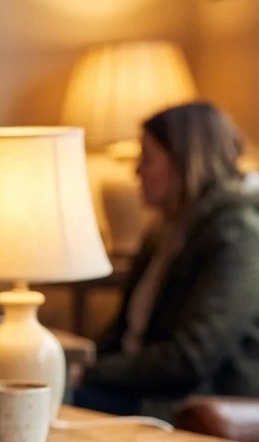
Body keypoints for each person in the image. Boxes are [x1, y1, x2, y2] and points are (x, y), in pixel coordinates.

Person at [74, 102, 259, 416]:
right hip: (143, 388)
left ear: (186, 162)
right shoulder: (161, 233)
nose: (136, 170)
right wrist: (82, 362)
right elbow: (121, 332)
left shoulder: (238, 234)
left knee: (66, 401)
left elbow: (191, 357)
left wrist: (94, 371)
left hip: (196, 400)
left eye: (147, 158)